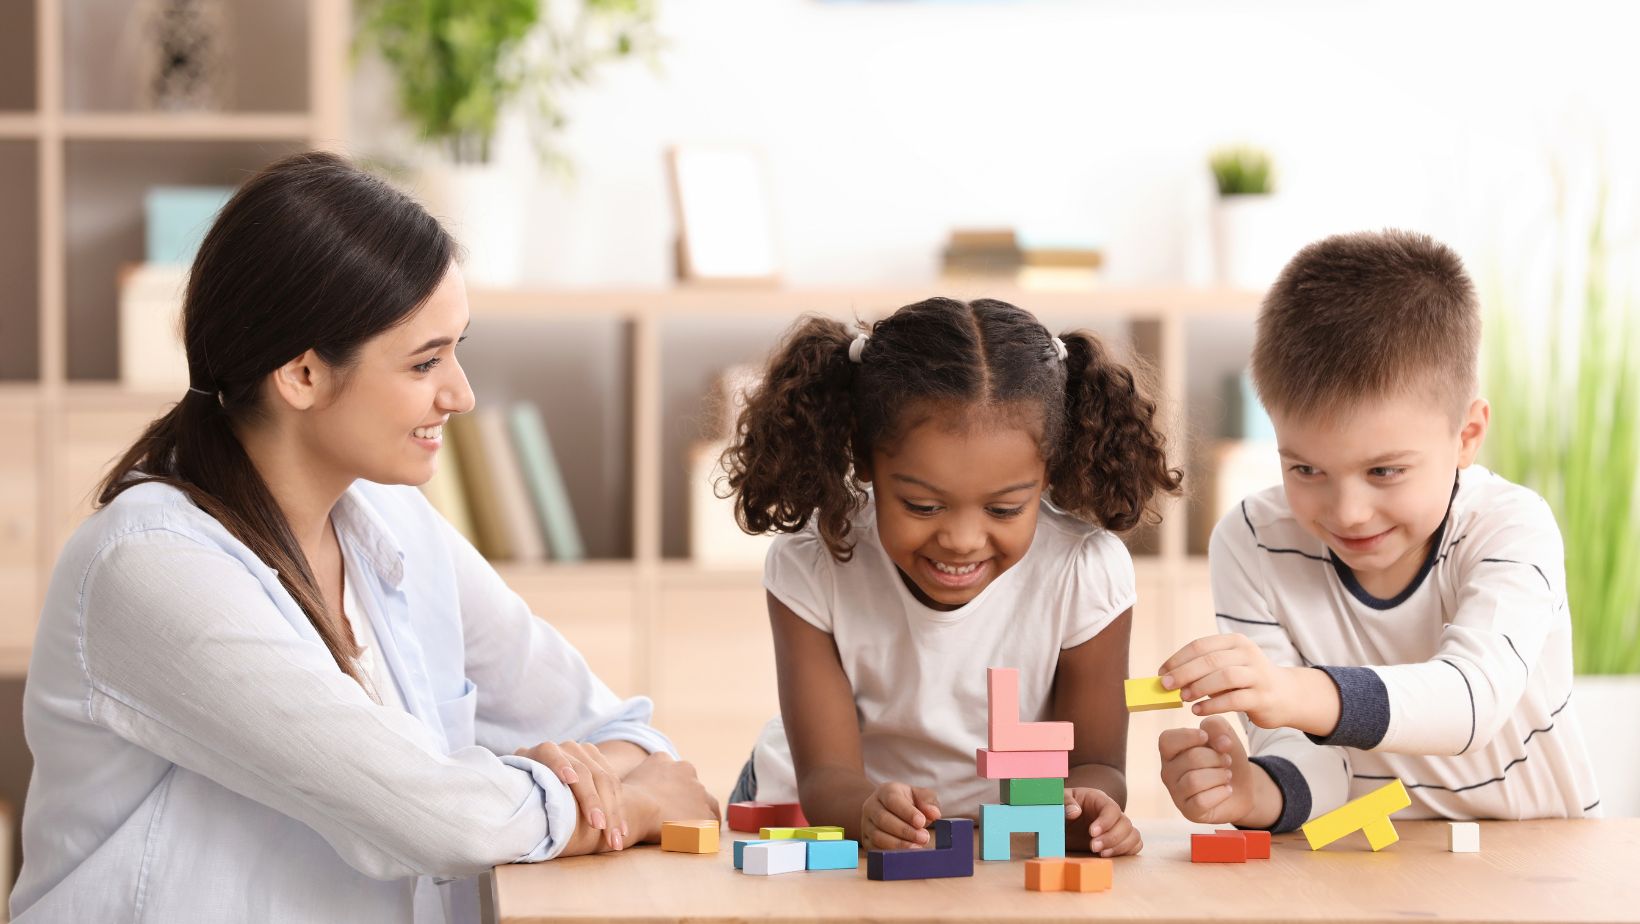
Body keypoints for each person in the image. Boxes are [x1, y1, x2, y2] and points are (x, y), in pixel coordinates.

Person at [11, 151, 716, 924]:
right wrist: (623, 809)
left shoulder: (393, 520)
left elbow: (620, 735)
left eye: (458, 349)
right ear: (303, 376)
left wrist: (560, 783)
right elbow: (438, 820)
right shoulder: (148, 568)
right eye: (425, 362)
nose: (462, 394)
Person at [1156, 229, 1600, 833]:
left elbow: (1470, 701)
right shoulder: (1252, 542)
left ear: (1467, 435)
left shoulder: (1510, 529)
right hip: (1368, 865)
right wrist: (1253, 791)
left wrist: (1289, 690)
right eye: (1305, 468)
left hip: (1537, 858)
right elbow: (1311, 759)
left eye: (1384, 470)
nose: (1348, 512)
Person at [721, 296, 1182, 857]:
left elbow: (1097, 763)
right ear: (864, 460)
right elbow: (825, 778)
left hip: (988, 841)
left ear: (1049, 470)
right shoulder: (813, 564)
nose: (962, 540)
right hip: (820, 814)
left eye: (1005, 509)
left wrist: (1087, 807)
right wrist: (869, 811)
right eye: (921, 505)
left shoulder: (1084, 570)